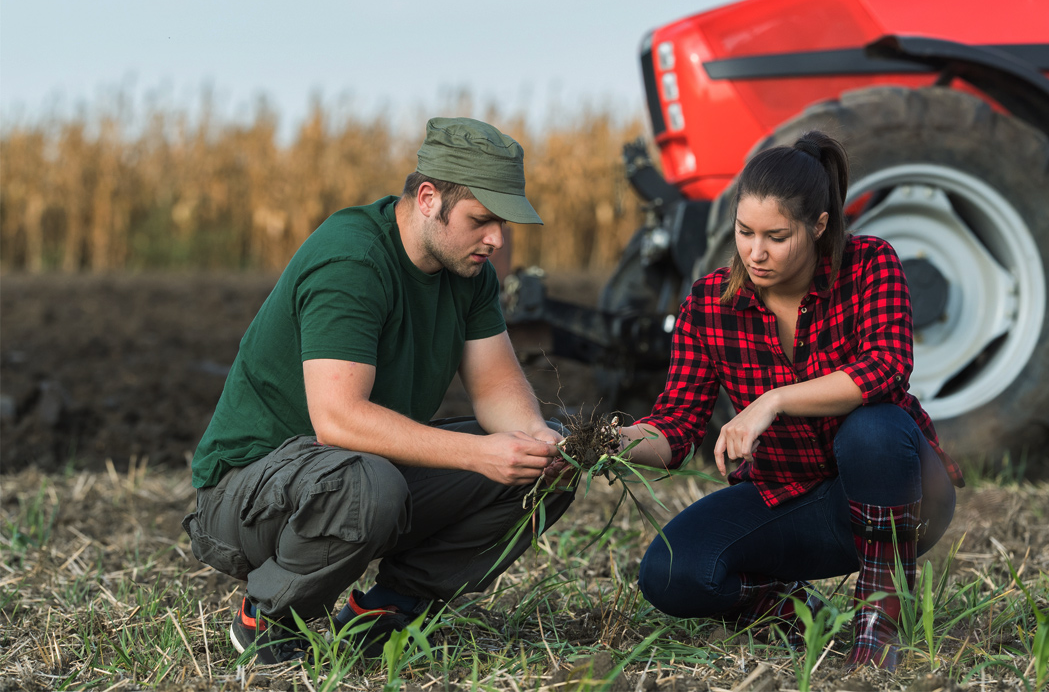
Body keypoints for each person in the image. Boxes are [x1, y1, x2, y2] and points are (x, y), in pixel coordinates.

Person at [182, 117, 572, 664]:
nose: (497, 240)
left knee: (541, 463)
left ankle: (389, 608)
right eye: (482, 220)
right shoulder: (354, 258)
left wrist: (539, 445)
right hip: (247, 493)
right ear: (429, 198)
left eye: (502, 224)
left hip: (356, 473)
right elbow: (337, 420)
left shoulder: (470, 273)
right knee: (370, 486)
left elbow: (497, 391)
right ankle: (271, 617)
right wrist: (480, 453)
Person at [618, 131, 963, 670]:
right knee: (670, 571)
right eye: (744, 232)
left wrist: (772, 400)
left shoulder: (871, 264)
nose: (756, 252)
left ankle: (881, 613)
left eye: (776, 236)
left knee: (873, 426)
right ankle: (796, 610)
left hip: (903, 492)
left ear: (818, 226)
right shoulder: (711, 304)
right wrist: (603, 444)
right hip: (789, 497)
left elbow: (885, 367)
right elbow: (675, 427)